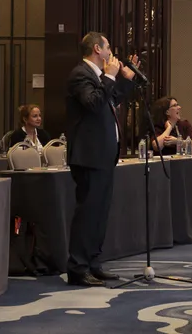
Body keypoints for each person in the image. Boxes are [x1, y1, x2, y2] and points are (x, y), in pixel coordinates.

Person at [65, 32, 138, 286]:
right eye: (108, 48)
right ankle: (77, 267)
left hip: (104, 155)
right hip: (89, 156)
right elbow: (94, 103)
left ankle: (93, 263)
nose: (111, 53)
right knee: (88, 213)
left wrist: (126, 80)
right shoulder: (80, 74)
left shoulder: (98, 76)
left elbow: (110, 99)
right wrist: (109, 77)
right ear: (97, 49)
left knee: (99, 213)